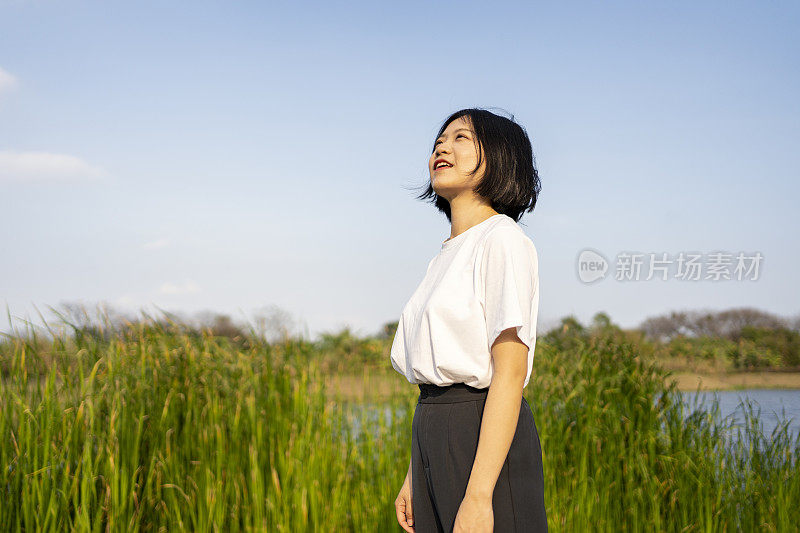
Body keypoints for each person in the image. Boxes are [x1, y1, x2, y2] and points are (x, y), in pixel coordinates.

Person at [391, 108, 547, 532]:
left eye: (461, 137)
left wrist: (479, 496)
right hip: (432, 430)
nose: (443, 145)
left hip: (479, 432)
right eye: (440, 139)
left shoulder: (502, 239)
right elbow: (434, 383)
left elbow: (510, 372)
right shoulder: (445, 255)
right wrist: (414, 474)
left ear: (499, 156)